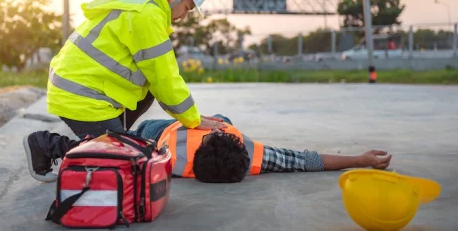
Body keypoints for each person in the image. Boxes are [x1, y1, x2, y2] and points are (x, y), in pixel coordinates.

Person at [46, 0, 225, 141]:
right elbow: (164, 77)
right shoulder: (147, 15)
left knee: (146, 93)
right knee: (122, 155)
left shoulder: (140, 1)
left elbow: (157, 80)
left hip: (76, 88)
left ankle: (115, 137)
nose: (183, 16)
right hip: (80, 96)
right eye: (187, 8)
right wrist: (194, 120)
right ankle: (47, 145)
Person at [23, 115, 392, 183]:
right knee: (118, 148)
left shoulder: (164, 158)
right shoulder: (255, 157)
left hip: (159, 131)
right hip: (164, 126)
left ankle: (48, 143)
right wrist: (357, 160)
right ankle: (54, 143)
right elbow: (306, 161)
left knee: (118, 146)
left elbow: (307, 160)